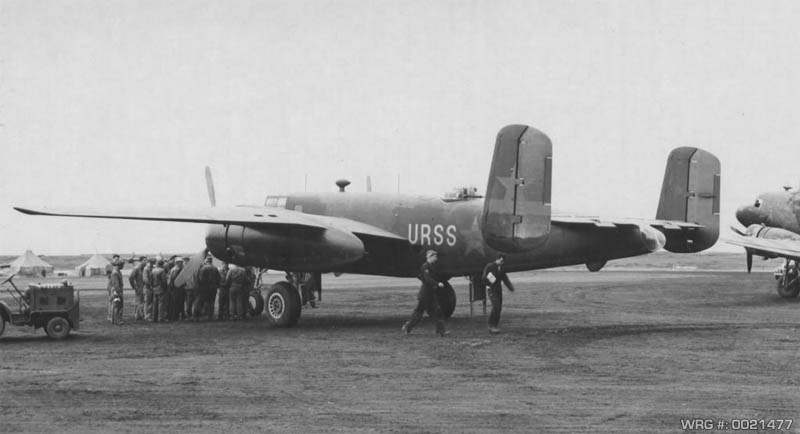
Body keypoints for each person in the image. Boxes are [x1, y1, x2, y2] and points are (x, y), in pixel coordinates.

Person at [402, 250, 448, 337]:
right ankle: (408, 327)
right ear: (430, 257)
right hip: (425, 295)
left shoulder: (431, 266)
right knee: (418, 313)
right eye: (435, 256)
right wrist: (437, 283)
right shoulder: (425, 267)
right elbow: (427, 279)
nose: (436, 258)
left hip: (430, 294)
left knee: (437, 311)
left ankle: (441, 331)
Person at [481, 254, 515, 334]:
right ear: (497, 259)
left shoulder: (501, 268)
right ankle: (491, 325)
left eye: (503, 261)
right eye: (501, 261)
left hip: (498, 290)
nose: (502, 263)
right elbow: (483, 278)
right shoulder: (489, 266)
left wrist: (510, 287)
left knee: (499, 308)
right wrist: (490, 282)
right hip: (491, 290)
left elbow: (505, 278)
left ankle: (495, 325)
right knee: (496, 306)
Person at [195, 256, 221, 321]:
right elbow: (219, 279)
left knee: (200, 302)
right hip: (213, 288)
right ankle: (210, 316)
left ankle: (196, 316)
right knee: (211, 302)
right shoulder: (215, 268)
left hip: (204, 288)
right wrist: (216, 286)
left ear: (206, 261)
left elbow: (200, 279)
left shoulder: (203, 268)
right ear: (211, 261)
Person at [128, 256, 147, 320]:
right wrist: (134, 287)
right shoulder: (136, 269)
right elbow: (131, 278)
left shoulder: (145, 269)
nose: (145, 262)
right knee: (138, 302)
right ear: (140, 261)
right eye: (144, 260)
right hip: (139, 288)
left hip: (145, 288)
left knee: (143, 302)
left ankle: (141, 315)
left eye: (146, 260)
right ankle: (138, 315)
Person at [109, 260, 125, 325]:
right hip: (116, 291)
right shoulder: (115, 273)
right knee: (118, 305)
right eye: (122, 265)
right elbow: (116, 284)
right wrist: (119, 293)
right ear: (119, 265)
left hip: (117, 290)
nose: (123, 266)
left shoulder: (117, 272)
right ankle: (117, 320)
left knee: (117, 305)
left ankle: (115, 320)